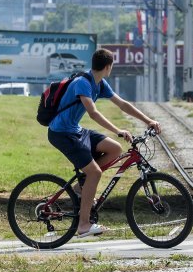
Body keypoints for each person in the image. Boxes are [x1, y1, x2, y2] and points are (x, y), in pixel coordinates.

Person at [47, 48, 161, 237]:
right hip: (61, 133)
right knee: (95, 172)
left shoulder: (99, 83)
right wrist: (118, 130)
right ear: (108, 67)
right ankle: (83, 225)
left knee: (114, 149)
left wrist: (148, 120)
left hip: (74, 129)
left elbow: (123, 104)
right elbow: (93, 113)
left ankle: (80, 188)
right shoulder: (83, 83)